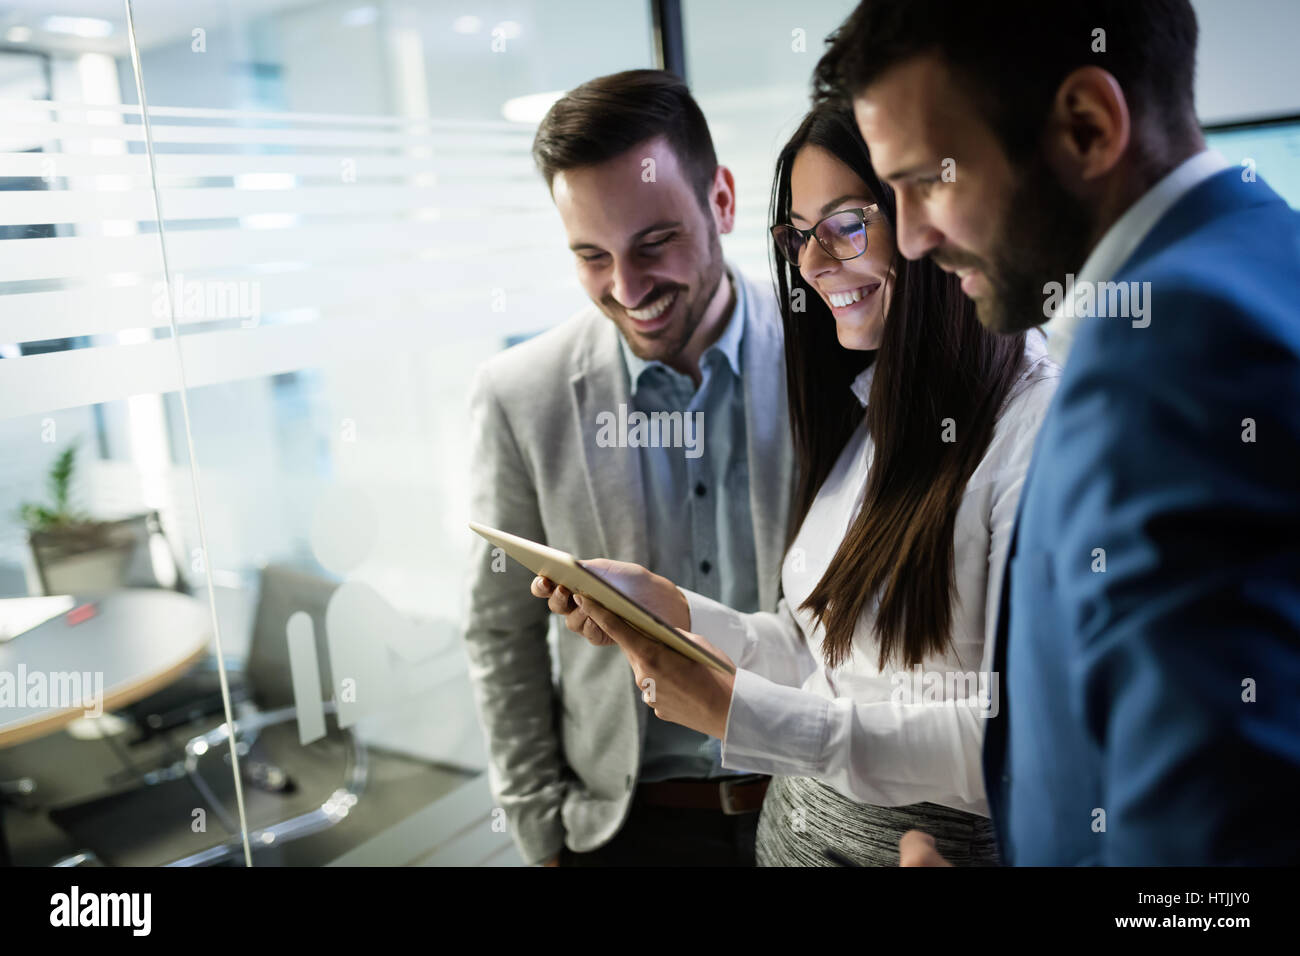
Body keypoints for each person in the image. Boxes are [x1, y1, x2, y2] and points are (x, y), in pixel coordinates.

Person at [815, 0, 1300, 864]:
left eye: (929, 179)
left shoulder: (1171, 362)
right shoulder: (1266, 255)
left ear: (1085, 127)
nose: (915, 237)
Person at [534, 102, 1059, 866]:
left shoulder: (1035, 429)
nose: (812, 265)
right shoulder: (878, 410)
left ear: (927, 219)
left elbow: (1016, 734)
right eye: (798, 234)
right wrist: (678, 612)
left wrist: (736, 712)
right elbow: (823, 653)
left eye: (846, 224)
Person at [462, 70, 795, 867]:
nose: (627, 287)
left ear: (721, 202)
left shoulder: (829, 356)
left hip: (814, 799)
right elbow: (500, 630)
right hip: (626, 829)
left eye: (654, 244)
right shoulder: (520, 395)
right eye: (591, 256)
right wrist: (543, 833)